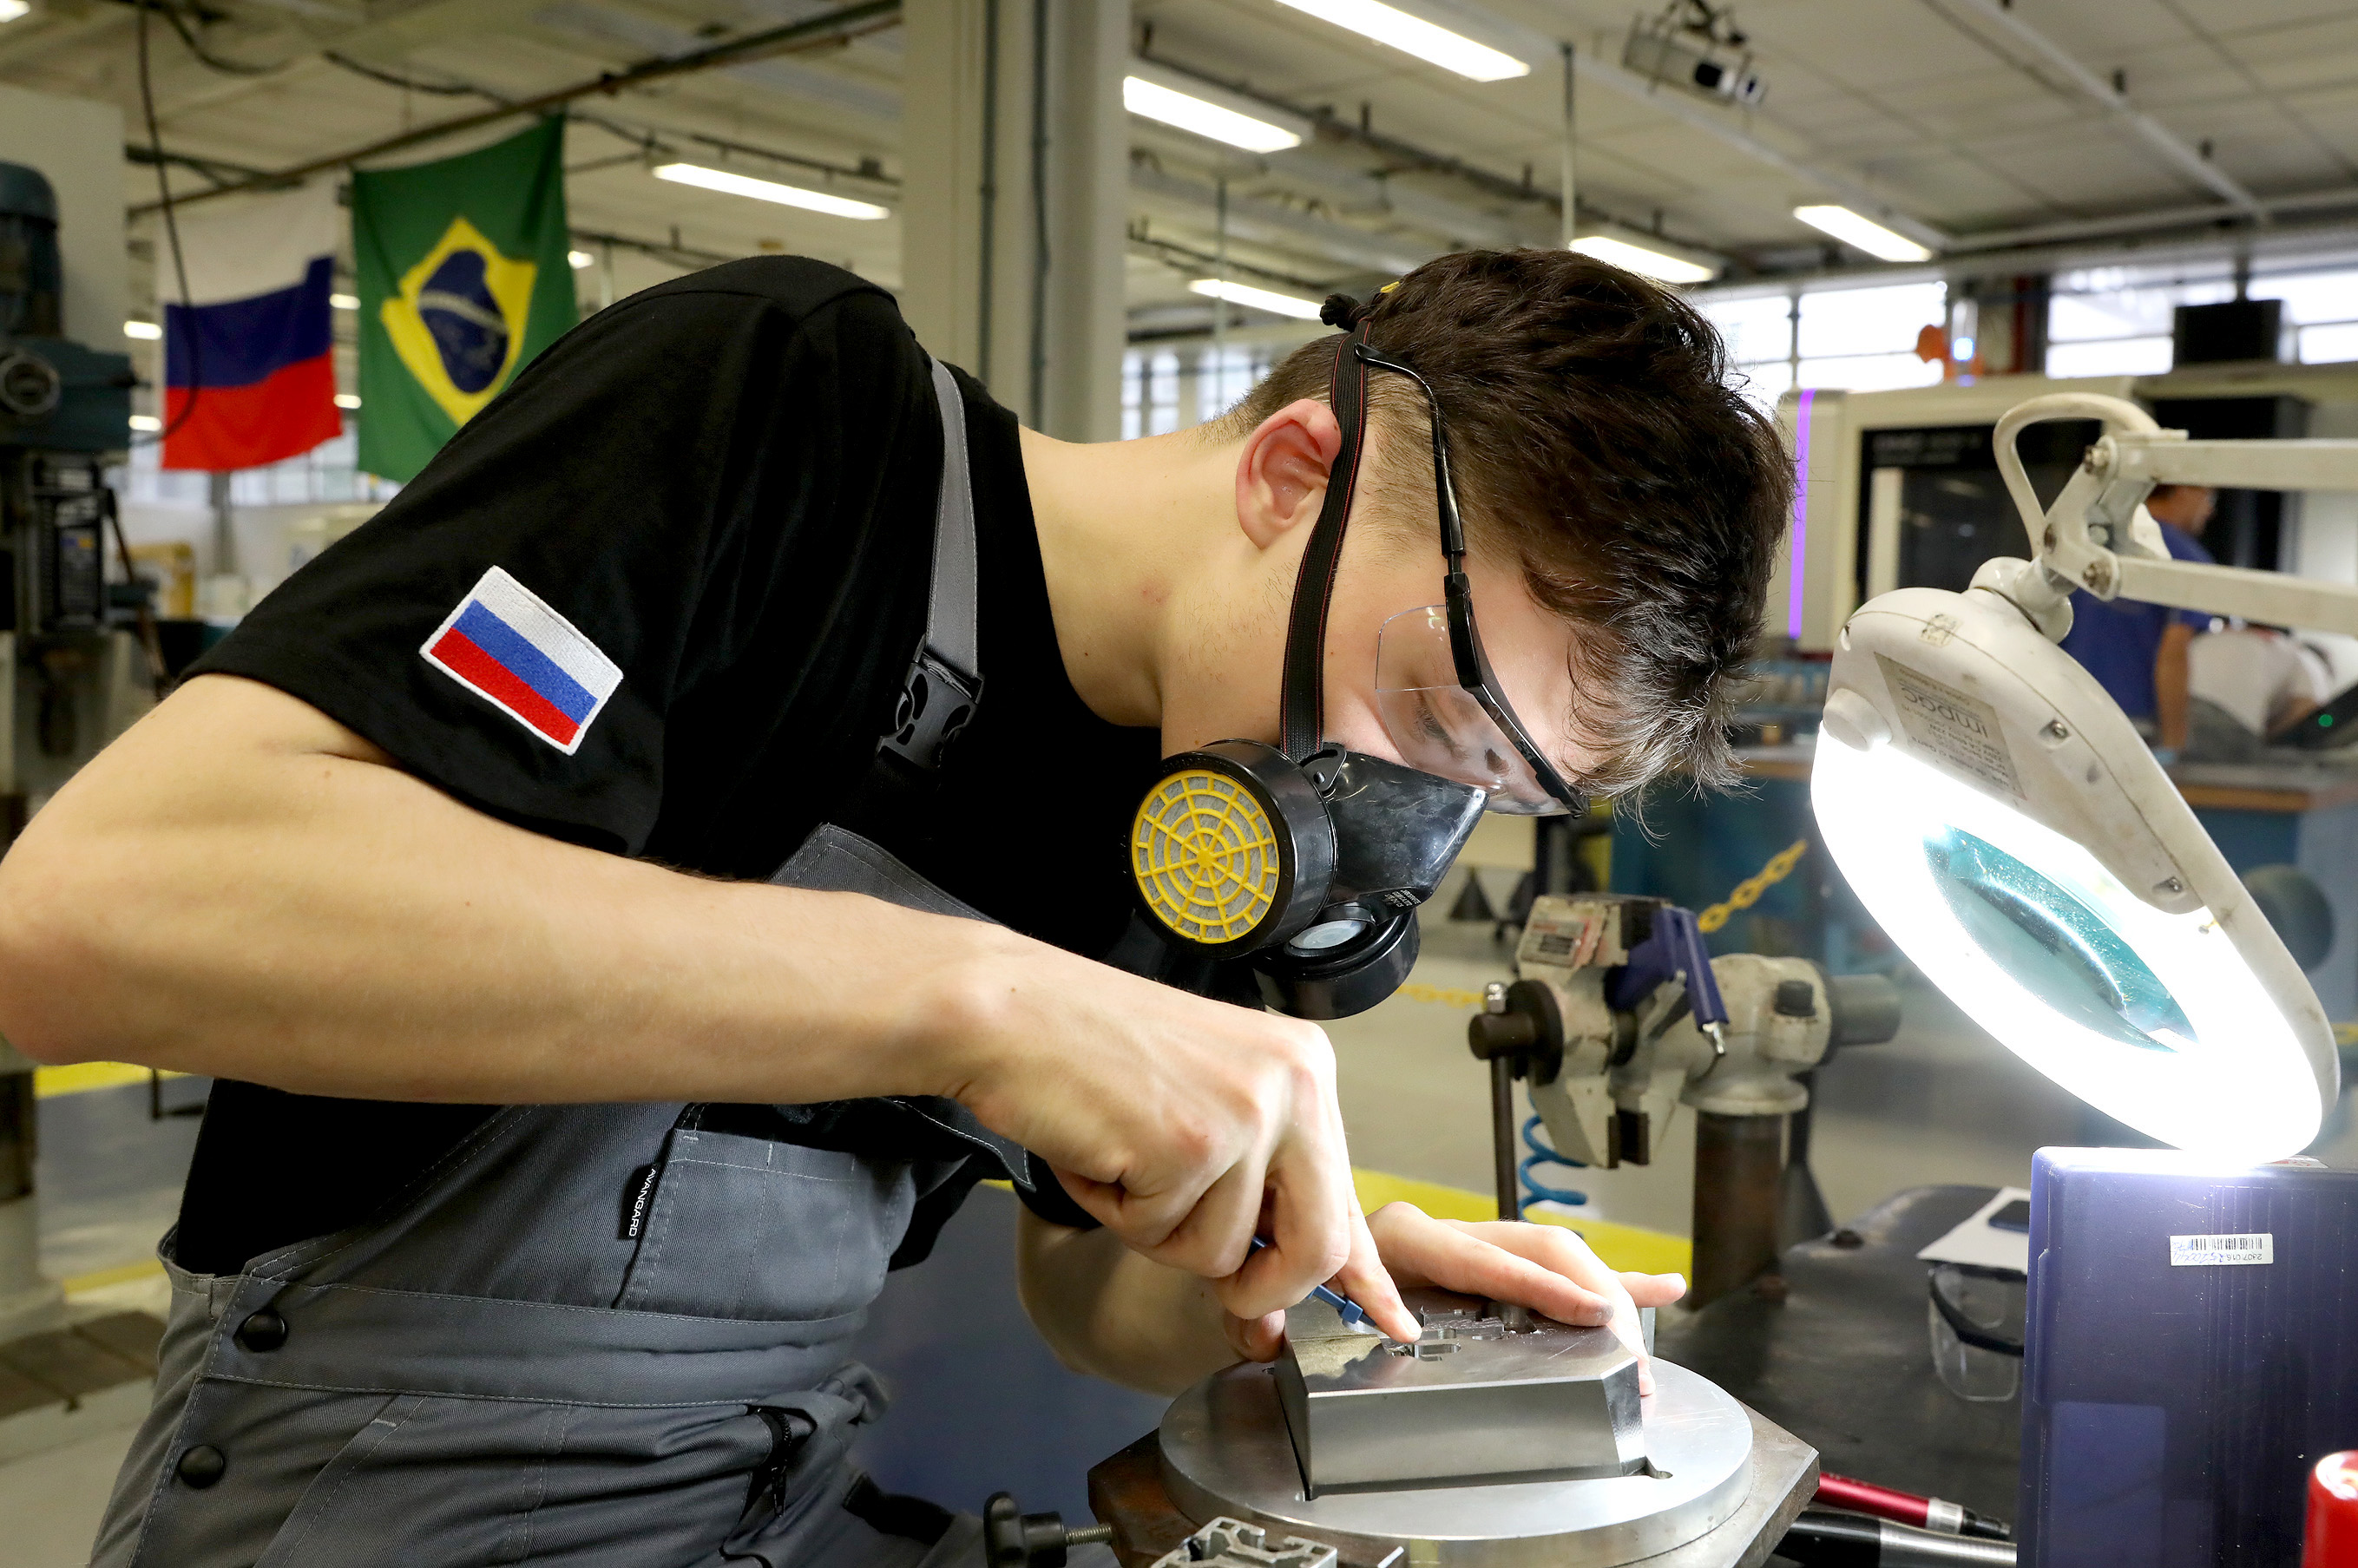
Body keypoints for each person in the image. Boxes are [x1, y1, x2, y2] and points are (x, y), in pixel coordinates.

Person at [0, 248, 1788, 1567]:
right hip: (371, 1491)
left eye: (1479, 789)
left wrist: (1298, 1276)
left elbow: (1083, 1290)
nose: (1395, 818)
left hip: (762, 1496)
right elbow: (79, 919)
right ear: (1288, 476)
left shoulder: (1188, 809)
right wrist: (978, 999)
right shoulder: (791, 414)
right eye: (1422, 709)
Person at [2056, 482, 2216, 753]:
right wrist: (2175, 744)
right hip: (2130, 726)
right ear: (2183, 490)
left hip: (2064, 710)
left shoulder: (2087, 546)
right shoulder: (2186, 561)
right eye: (2209, 497)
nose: (2210, 510)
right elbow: (2173, 655)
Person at [2183, 623, 2333, 763]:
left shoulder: (2230, 636)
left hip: (2180, 708)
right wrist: (2269, 737)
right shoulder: (2308, 659)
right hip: (2230, 720)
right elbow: (2306, 712)